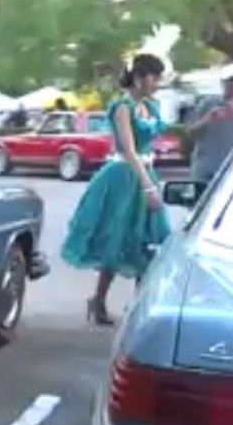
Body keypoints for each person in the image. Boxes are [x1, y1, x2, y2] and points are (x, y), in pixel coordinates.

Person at [61, 53, 171, 327]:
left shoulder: (149, 105)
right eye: (154, 77)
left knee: (149, 241)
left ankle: (138, 306)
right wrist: (148, 187)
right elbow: (129, 150)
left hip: (145, 173)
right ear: (140, 76)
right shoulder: (122, 106)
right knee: (116, 238)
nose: (156, 84)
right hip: (124, 177)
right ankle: (98, 300)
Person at [188, 69, 233, 183]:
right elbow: (191, 133)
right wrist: (208, 118)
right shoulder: (207, 103)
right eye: (229, 81)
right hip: (205, 169)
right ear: (223, 83)